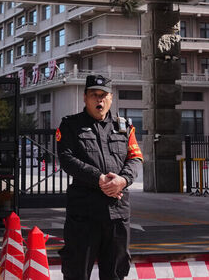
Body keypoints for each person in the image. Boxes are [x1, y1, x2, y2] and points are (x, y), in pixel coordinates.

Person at [56, 75, 143, 280]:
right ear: (85, 97)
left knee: (116, 273)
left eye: (104, 95)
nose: (99, 100)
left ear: (111, 98)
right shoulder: (70, 125)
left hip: (117, 212)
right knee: (77, 272)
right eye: (94, 95)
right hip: (84, 214)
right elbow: (66, 159)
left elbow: (135, 158)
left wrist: (123, 180)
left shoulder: (123, 126)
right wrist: (98, 178)